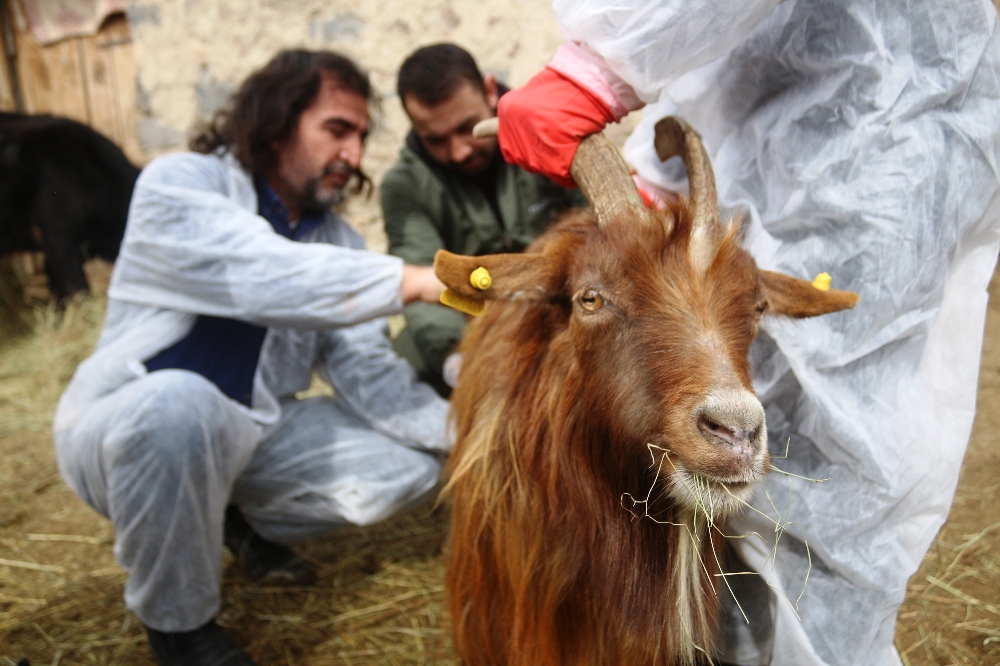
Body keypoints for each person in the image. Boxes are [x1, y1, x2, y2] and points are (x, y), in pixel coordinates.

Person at [489, 2, 1000, 665]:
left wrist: (600, 66)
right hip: (769, 134)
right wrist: (650, 171)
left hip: (883, 150)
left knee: (814, 481)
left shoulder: (891, 108)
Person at [52, 50, 449, 666]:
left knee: (412, 468)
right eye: (336, 130)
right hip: (128, 429)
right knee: (179, 403)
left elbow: (369, 372)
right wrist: (419, 280)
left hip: (251, 435)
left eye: (361, 137)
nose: (352, 155)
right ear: (275, 123)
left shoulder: (337, 240)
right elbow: (261, 272)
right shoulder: (179, 183)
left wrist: (474, 434)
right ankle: (179, 628)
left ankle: (233, 521)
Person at [381, 43, 584, 396]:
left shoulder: (549, 132)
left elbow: (602, 229)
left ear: (490, 91)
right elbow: (422, 277)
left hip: (569, 307)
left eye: (468, 127)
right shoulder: (404, 186)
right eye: (436, 140)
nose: (459, 151)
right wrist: (457, 360)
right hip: (472, 326)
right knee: (400, 368)